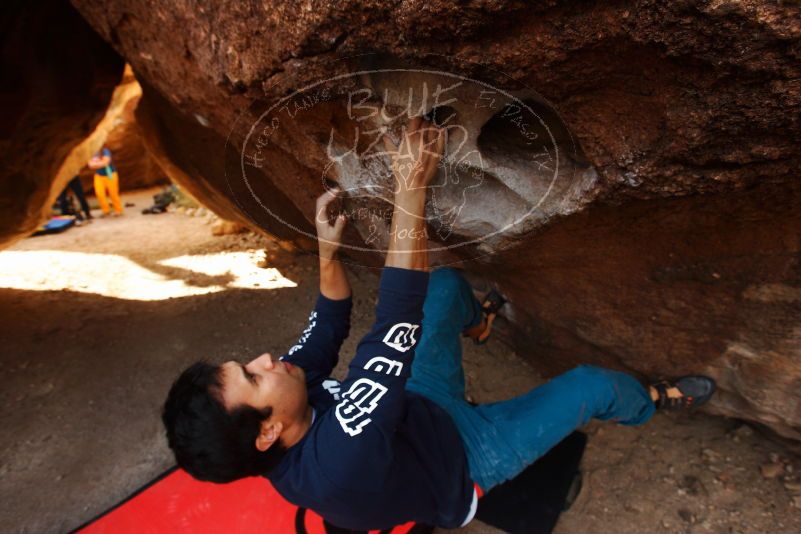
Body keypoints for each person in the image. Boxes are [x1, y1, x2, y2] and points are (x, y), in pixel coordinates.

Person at [162, 117, 716, 530]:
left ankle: (477, 326)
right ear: (266, 432)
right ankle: (650, 399)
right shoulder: (338, 462)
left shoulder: (290, 399)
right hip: (466, 458)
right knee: (593, 385)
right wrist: (411, 186)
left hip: (416, 408)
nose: (265, 360)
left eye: (248, 364)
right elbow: (394, 322)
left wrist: (328, 254)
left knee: (448, 289)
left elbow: (329, 321)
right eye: (253, 377)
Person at [88, 146, 123, 216]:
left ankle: (118, 209)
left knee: (113, 192)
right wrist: (100, 163)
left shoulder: (104, 150)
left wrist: (96, 164)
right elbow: (90, 165)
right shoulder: (91, 153)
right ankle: (105, 210)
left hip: (110, 174)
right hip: (99, 175)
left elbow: (106, 162)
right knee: (99, 193)